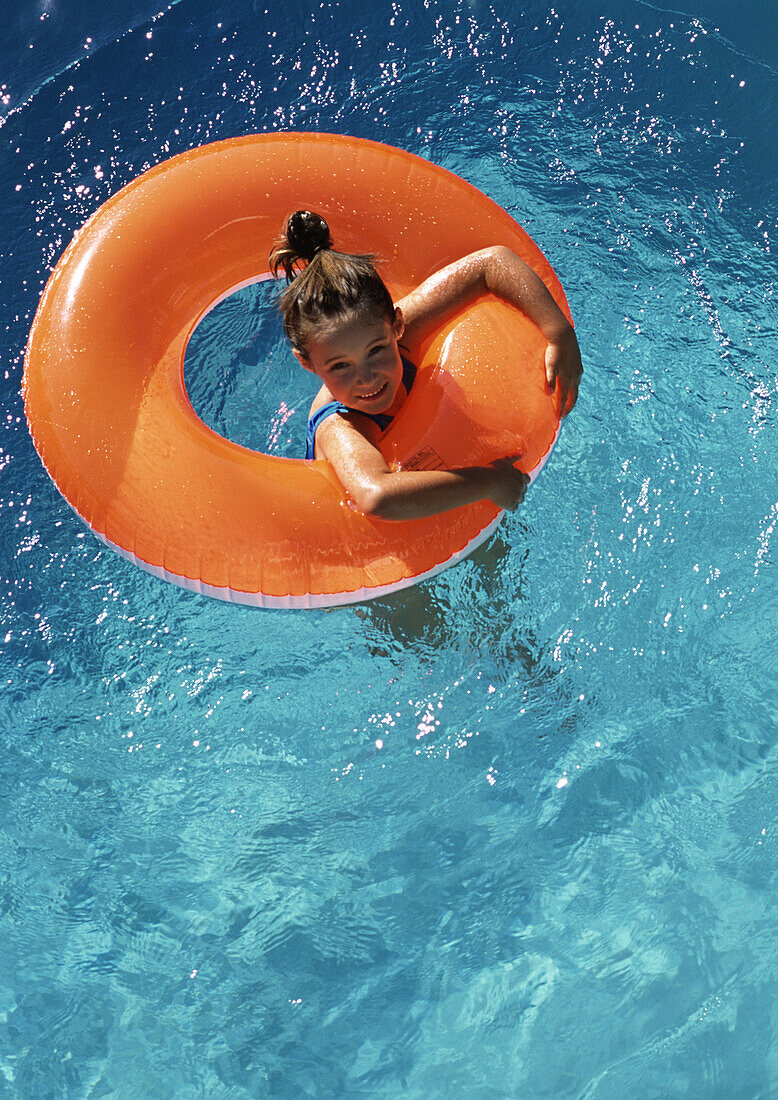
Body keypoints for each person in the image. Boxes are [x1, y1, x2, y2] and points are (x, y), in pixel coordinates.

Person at [269, 209, 582, 521]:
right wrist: (489, 481)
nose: (366, 377)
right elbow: (377, 496)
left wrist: (559, 332)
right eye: (340, 366)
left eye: (376, 350)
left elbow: (492, 263)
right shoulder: (339, 425)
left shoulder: (391, 327)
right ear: (307, 364)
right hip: (390, 549)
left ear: (397, 324)